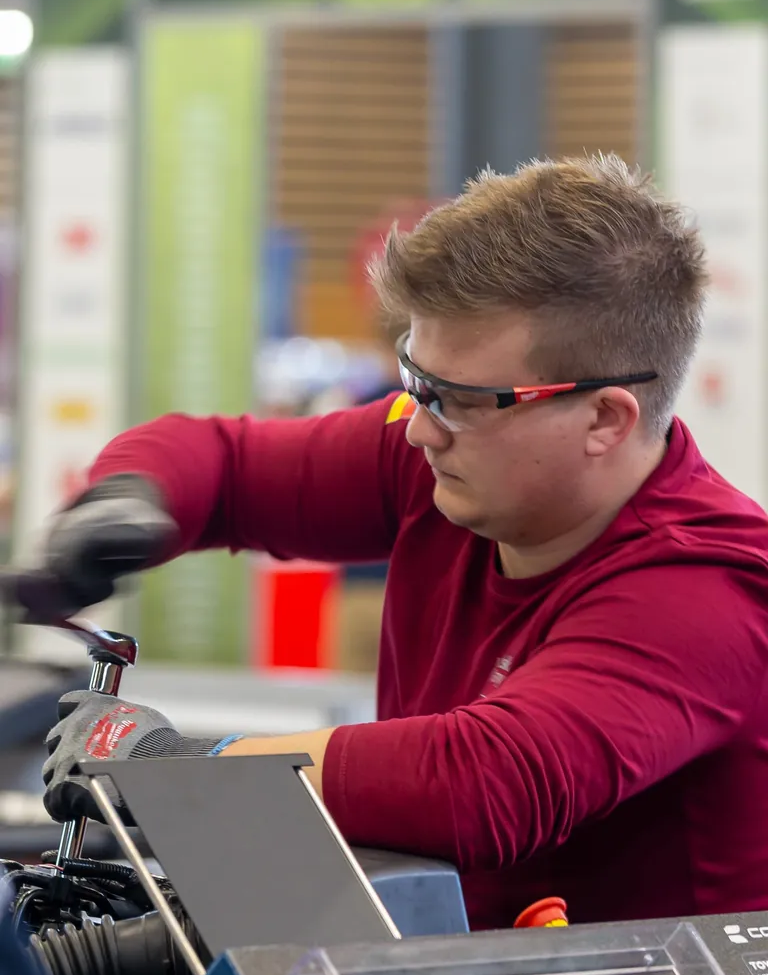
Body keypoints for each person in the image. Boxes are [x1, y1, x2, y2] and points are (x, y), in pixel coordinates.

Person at [36, 154, 768, 931]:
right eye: (415, 379)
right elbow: (221, 461)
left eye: (457, 401)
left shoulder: (709, 586)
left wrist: (180, 774)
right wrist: (127, 501)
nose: (418, 427)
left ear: (604, 420)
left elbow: (489, 781)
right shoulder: (436, 459)